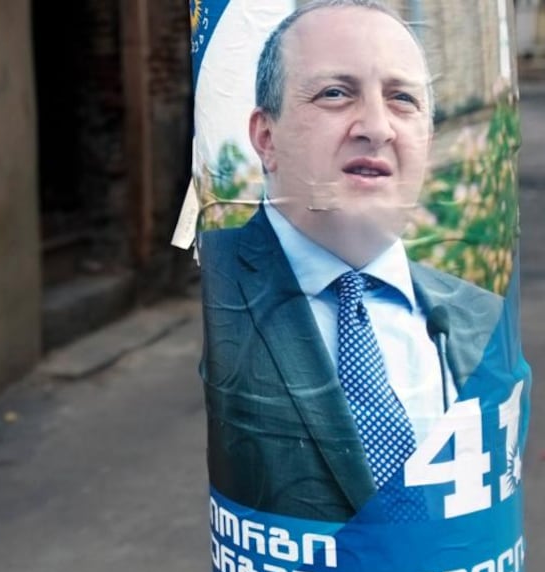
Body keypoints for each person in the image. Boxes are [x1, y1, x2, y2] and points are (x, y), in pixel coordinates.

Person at [198, 0, 503, 522]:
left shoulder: (487, 318)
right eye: (335, 93)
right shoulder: (211, 283)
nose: (377, 127)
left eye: (402, 99)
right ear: (266, 138)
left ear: (427, 139)